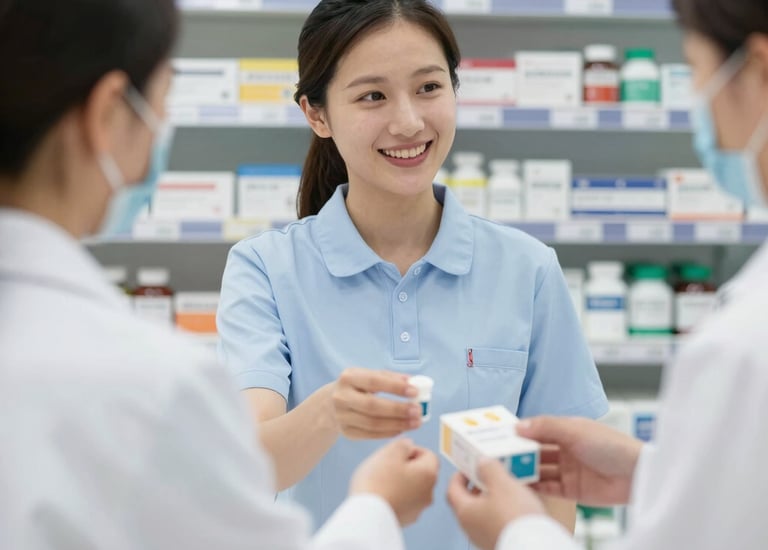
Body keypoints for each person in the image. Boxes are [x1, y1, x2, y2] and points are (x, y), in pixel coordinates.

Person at [0, 1, 440, 548]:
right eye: (161, 100)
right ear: (109, 114)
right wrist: (376, 506)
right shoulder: (150, 381)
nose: (408, 120)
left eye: (430, 86)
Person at [216, 1, 608, 547]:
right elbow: (250, 466)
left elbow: (554, 482)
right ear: (317, 114)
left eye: (428, 87)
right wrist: (331, 410)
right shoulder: (266, 269)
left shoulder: (527, 269)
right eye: (372, 95)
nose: (408, 121)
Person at [446, 0, 768, 548]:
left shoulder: (744, 345)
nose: (699, 102)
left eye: (695, 72)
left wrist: (516, 531)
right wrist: (649, 472)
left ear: (758, 71)